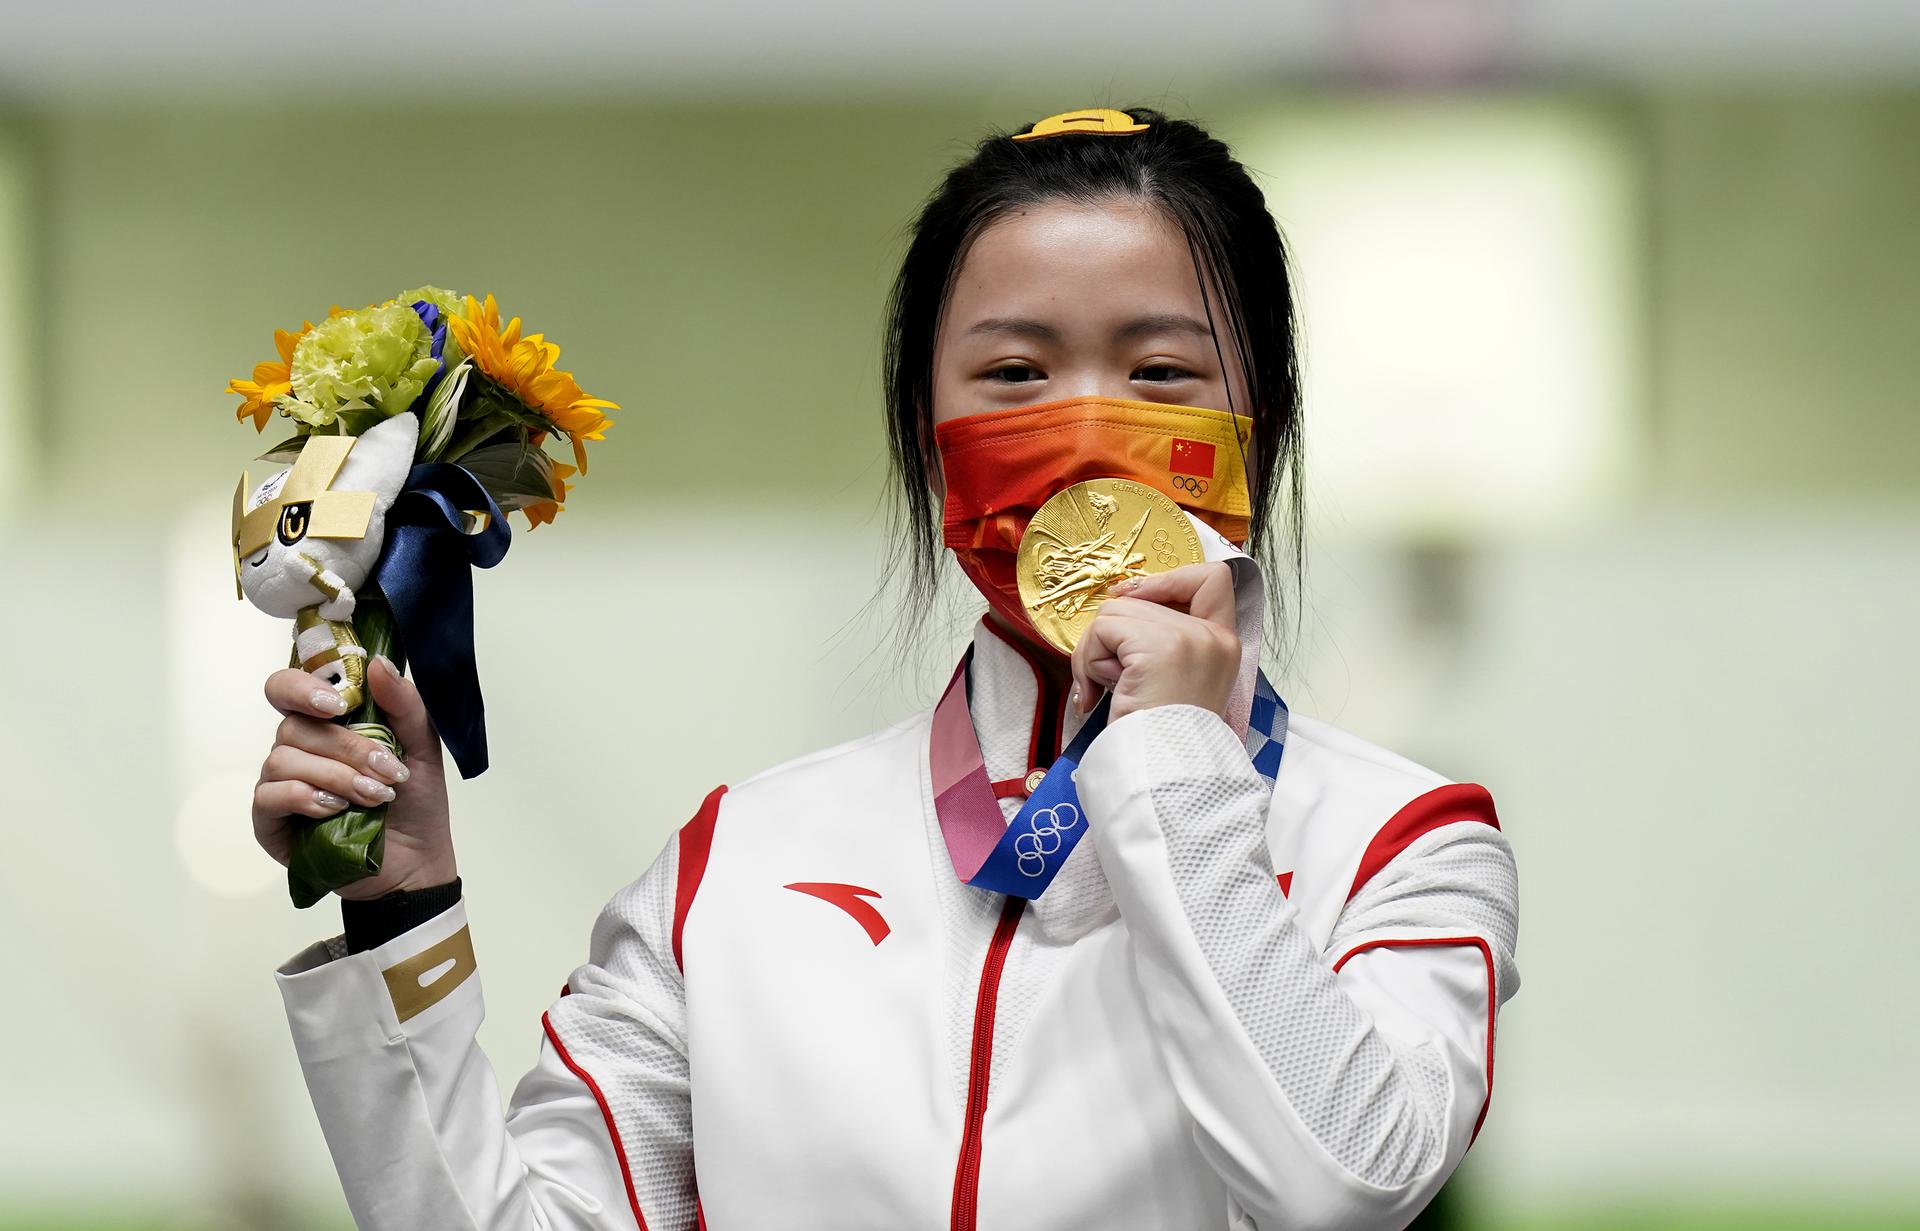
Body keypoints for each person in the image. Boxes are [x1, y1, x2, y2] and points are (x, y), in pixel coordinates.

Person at [258, 106, 1520, 1231]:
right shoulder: (737, 864)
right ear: (931, 446)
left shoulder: (1399, 843)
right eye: (1015, 374)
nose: (1082, 432)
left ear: (1264, 431)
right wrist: (400, 907)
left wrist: (1176, 766)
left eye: (1160, 373)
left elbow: (1344, 1185)